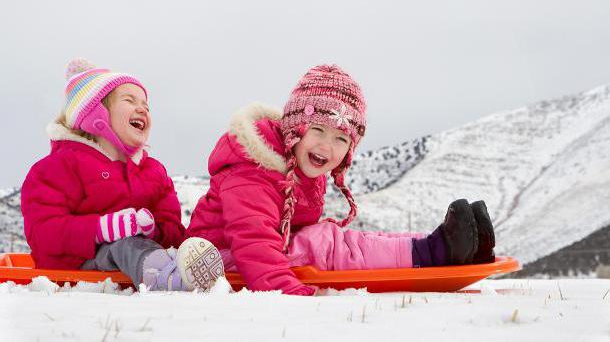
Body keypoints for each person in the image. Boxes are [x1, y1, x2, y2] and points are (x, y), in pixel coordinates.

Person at [183, 64, 495, 295]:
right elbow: (253, 240)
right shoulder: (253, 170)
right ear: (294, 131)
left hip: (258, 255)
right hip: (222, 259)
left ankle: (441, 243)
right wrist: (286, 292)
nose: (326, 146)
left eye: (340, 139)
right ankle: (432, 253)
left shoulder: (302, 169)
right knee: (323, 244)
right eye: (317, 131)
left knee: (333, 237)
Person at [21, 59, 224, 292]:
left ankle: (197, 272)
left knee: (146, 246)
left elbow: (173, 231)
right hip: (78, 265)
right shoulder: (59, 166)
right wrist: (102, 228)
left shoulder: (153, 172)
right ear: (96, 113)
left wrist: (152, 230)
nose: (142, 109)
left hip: (141, 258)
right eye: (129, 100)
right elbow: (43, 231)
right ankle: (168, 281)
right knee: (125, 245)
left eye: (146, 106)